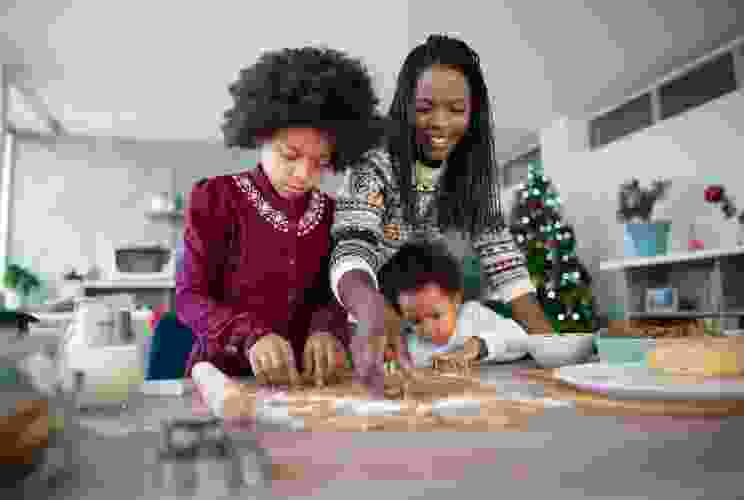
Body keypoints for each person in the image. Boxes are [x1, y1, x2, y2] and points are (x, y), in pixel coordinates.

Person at [331, 35, 553, 394]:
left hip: (415, 316)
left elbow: (505, 265)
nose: (440, 123)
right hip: (369, 314)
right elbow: (352, 251)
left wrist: (550, 346)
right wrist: (374, 310)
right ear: (404, 106)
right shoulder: (374, 162)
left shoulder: (473, 173)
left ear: (473, 112)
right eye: (424, 108)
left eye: (456, 110)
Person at [176, 46, 387, 387]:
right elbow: (189, 298)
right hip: (222, 380)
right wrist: (249, 336)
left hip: (304, 383)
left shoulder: (333, 214)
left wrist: (326, 330)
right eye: (290, 155)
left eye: (319, 163)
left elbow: (330, 295)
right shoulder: (215, 198)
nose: (303, 174)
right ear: (261, 134)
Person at [378, 241, 529, 371]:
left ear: (456, 300)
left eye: (436, 315)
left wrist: (478, 346)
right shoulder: (409, 345)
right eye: (415, 321)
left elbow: (521, 339)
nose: (428, 329)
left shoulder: (472, 316)